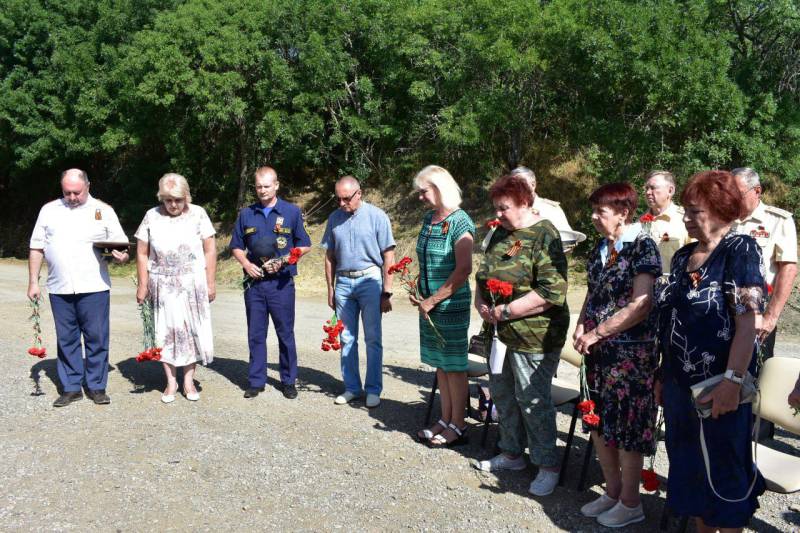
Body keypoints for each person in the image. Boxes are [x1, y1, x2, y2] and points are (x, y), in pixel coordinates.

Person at [655, 170, 766, 532]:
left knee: (723, 477)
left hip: (719, 387)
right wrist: (662, 375)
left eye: (694, 211)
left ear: (721, 210)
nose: (685, 217)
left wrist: (733, 381)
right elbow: (671, 319)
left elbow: (747, 322)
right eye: (685, 210)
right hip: (679, 387)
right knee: (692, 474)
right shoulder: (683, 255)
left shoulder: (741, 249)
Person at [474, 174, 569, 497]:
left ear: (525, 203)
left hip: (534, 335)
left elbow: (551, 291)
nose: (499, 215)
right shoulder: (501, 232)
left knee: (533, 400)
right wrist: (482, 302)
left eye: (505, 208)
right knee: (503, 393)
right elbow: (483, 273)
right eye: (497, 208)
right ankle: (512, 452)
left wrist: (507, 311)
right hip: (499, 333)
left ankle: (547, 465)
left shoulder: (545, 234)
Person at [572, 182, 661, 527]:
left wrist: (597, 331)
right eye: (593, 210)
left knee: (626, 427)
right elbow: (593, 293)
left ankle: (630, 501)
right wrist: (582, 325)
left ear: (623, 213)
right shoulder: (601, 246)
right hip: (598, 352)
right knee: (599, 421)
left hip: (629, 358)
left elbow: (642, 305)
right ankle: (611, 492)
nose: (594, 217)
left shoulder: (644, 247)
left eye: (601, 211)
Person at [28, 168, 129, 407]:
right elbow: (36, 247)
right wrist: (33, 281)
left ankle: (96, 386)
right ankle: (71, 387)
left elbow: (122, 246)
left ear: (88, 186)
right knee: (66, 339)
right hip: (59, 287)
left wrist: (121, 257)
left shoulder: (104, 211)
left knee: (96, 337)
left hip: (94, 286)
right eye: (67, 192)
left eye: (77, 192)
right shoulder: (49, 210)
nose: (72, 197)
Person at [230, 167, 311, 399]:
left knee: (285, 334)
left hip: (281, 285)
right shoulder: (246, 214)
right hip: (254, 285)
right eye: (258, 186)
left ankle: (288, 381)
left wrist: (285, 259)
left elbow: (304, 245)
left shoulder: (291, 212)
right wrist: (246, 264)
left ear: (276, 185)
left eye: (267, 186)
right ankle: (256, 381)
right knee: (256, 334)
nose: (262, 190)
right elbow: (236, 246)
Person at [134, 173, 216, 403]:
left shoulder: (198, 214)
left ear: (186, 197)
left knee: (191, 331)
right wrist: (142, 284)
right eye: (168, 200)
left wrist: (210, 281)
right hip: (161, 284)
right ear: (161, 197)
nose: (173, 205)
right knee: (165, 331)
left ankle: (189, 380)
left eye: (178, 200)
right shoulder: (151, 216)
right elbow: (141, 253)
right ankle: (171, 381)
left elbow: (210, 250)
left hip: (192, 283)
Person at [410, 166, 475, 446]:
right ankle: (445, 419)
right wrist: (417, 288)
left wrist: (433, 299)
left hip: (450, 306)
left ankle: (458, 425)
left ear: (439, 188)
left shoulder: (461, 222)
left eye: (424, 191)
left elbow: (463, 270)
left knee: (454, 366)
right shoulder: (429, 219)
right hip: (429, 304)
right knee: (440, 364)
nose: (421, 197)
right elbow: (425, 258)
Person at [322, 176, 395, 408]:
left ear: (359, 194)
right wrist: (330, 288)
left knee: (372, 338)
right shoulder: (334, 218)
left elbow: (388, 255)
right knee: (346, 338)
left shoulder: (377, 216)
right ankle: (352, 387)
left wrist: (387, 291)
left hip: (370, 280)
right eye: (339, 199)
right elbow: (329, 256)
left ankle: (373, 389)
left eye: (347, 199)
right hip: (343, 282)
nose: (342, 203)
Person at [642, 170, 692, 274]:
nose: (648, 192)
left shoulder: (685, 219)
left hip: (674, 286)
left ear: (670, 190)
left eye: (653, 188)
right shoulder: (641, 221)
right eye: (647, 188)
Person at [509, 166, 574, 233]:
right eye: (512, 185)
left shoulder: (551, 210)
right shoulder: (506, 211)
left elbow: (567, 239)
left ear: (533, 185)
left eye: (521, 184)